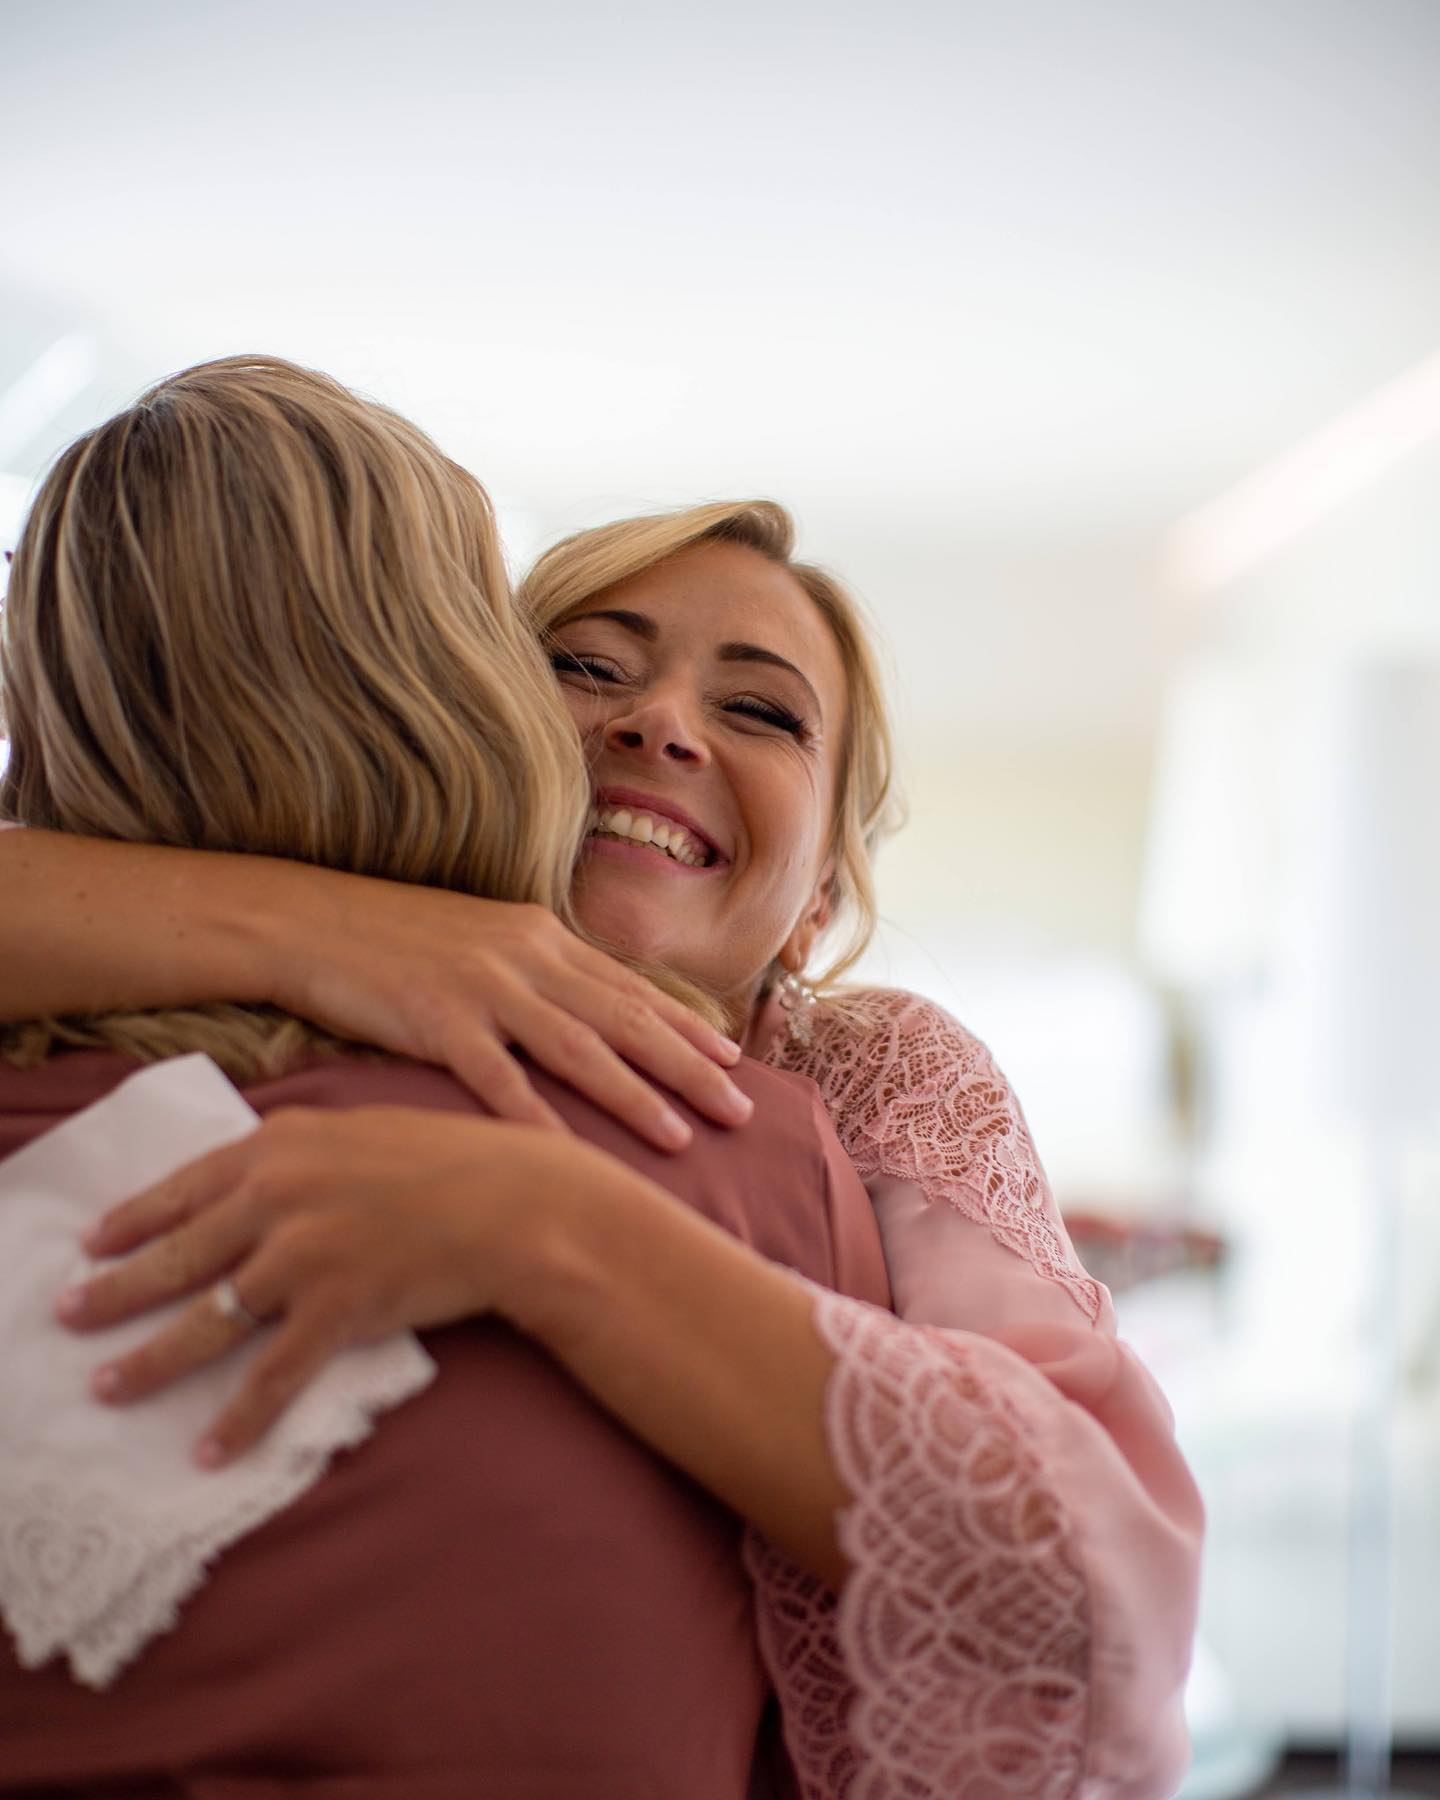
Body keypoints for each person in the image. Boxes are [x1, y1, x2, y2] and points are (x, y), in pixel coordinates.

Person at [0, 408, 1205, 1793]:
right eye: (583, 669)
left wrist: (536, 1218)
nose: (659, 723)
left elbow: (1087, 1587)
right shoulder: (245, 998)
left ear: (814, 905)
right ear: (468, 711)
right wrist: (315, 924)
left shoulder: (853, 1078)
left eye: (758, 709)